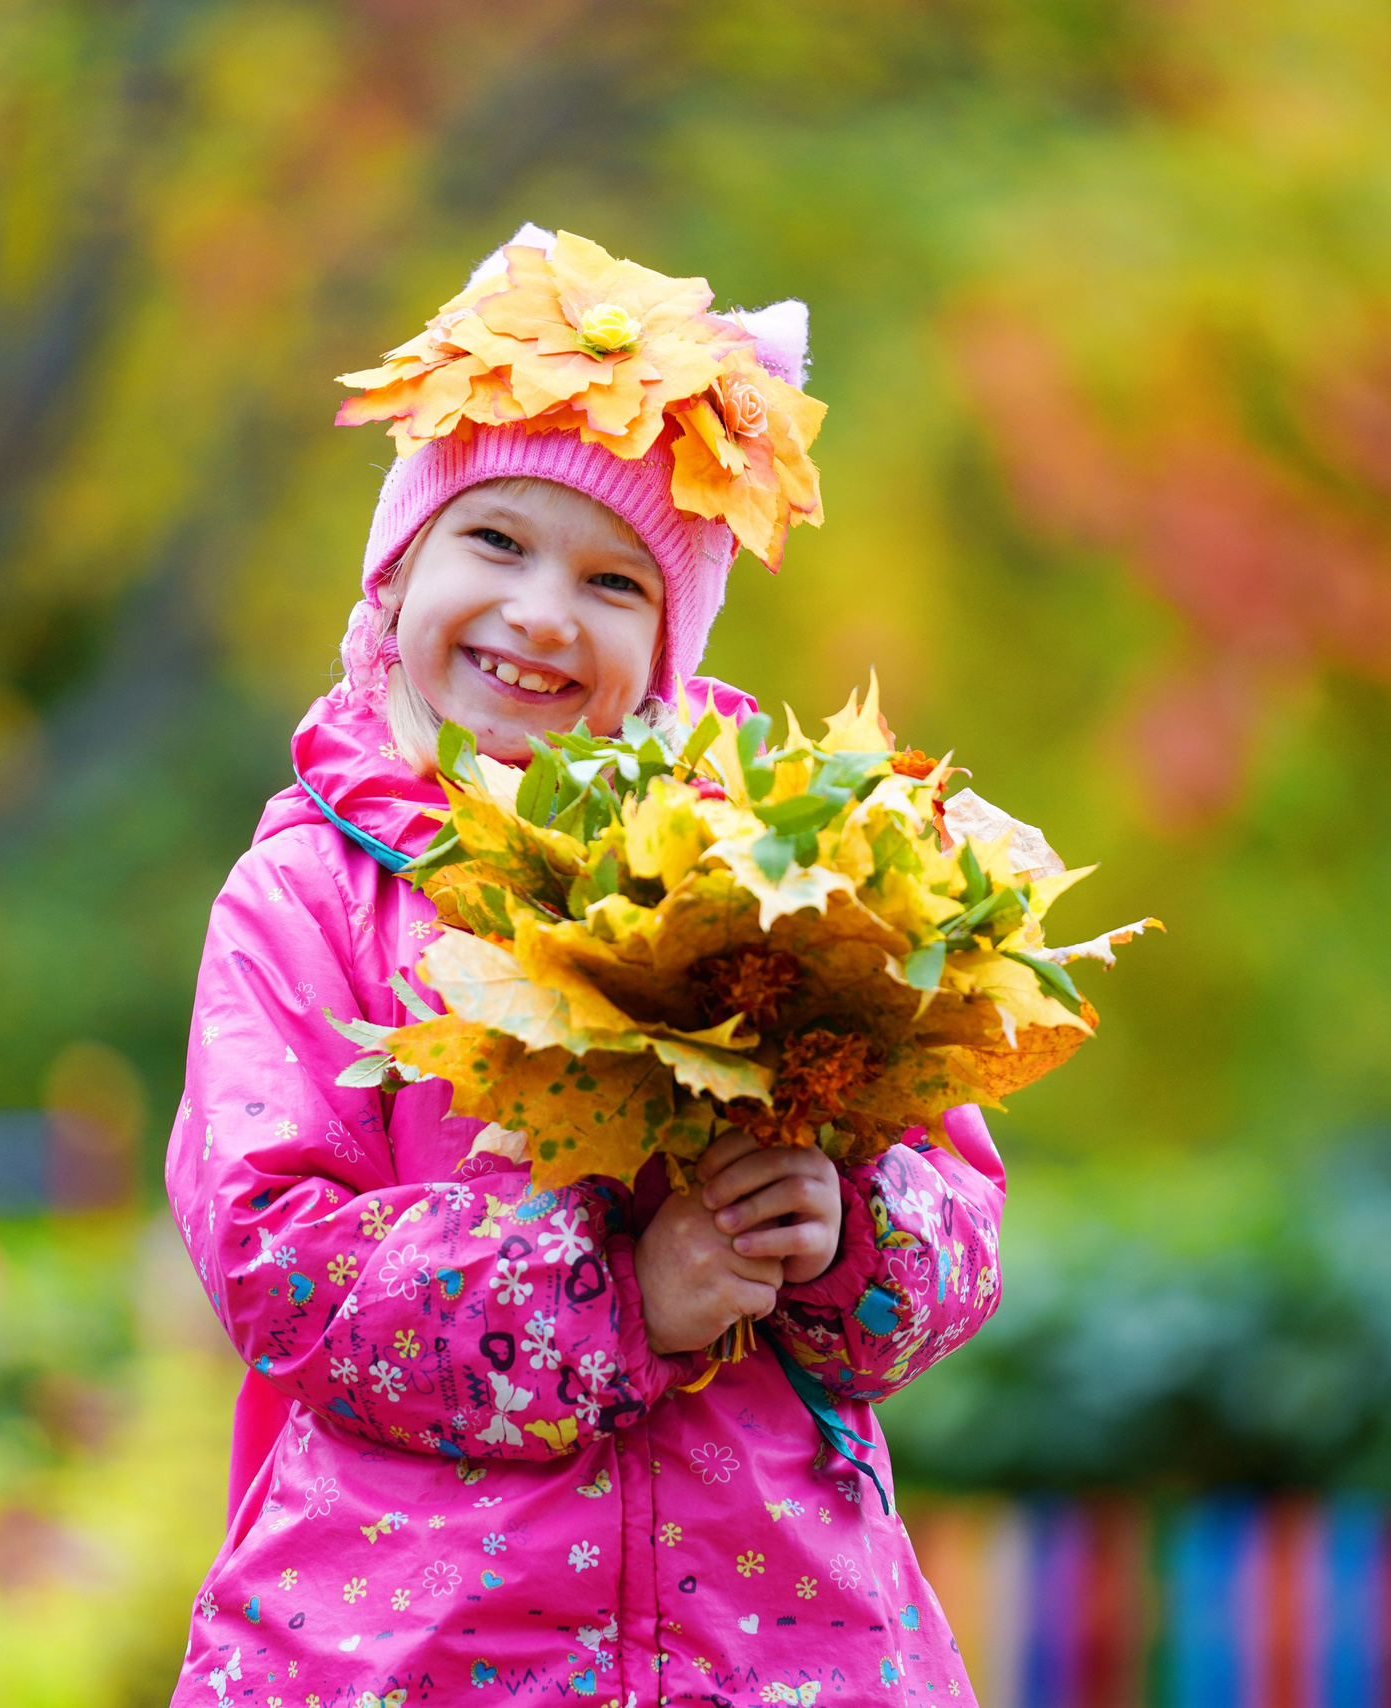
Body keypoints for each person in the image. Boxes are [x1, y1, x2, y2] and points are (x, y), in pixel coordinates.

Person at [167, 225, 1006, 1706]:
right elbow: (273, 1252)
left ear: (673, 647)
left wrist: (844, 1229)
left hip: (772, 1641)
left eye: (618, 583)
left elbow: (955, 1212)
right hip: (407, 1643)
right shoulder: (309, 896)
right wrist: (624, 1297)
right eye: (496, 541)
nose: (544, 613)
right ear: (397, 570)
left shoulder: (787, 886)